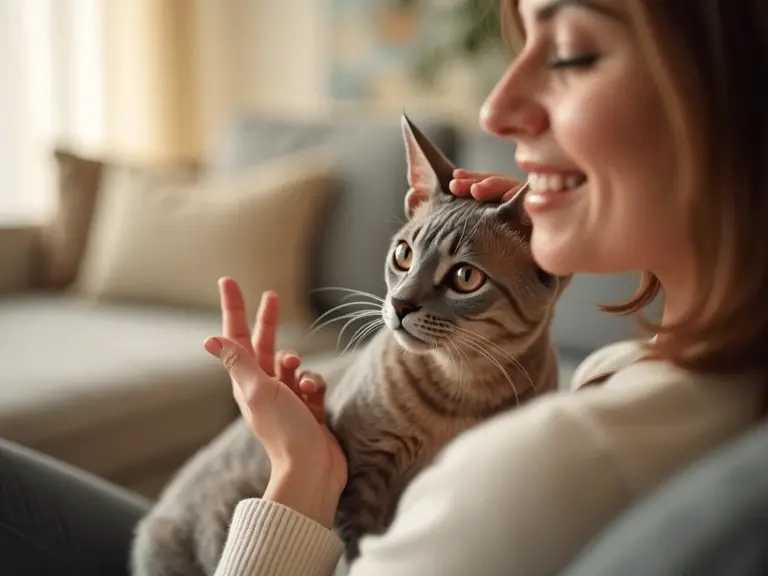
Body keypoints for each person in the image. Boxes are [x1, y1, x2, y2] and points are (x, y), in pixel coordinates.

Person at [1, 0, 766, 574]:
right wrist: (579, 237)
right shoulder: (684, 373)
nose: (495, 108)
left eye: (570, 55)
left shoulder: (527, 475)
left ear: (730, 96)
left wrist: (300, 476)